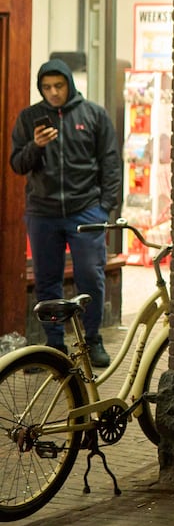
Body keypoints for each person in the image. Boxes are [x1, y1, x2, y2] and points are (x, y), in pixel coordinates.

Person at [9, 59, 122, 368]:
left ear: (69, 84)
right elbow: (17, 164)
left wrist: (104, 206)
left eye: (59, 86)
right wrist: (36, 146)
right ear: (40, 88)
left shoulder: (93, 115)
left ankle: (92, 339)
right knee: (48, 282)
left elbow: (111, 162)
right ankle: (54, 345)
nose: (53, 92)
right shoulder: (30, 117)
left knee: (91, 277)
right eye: (47, 87)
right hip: (43, 214)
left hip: (86, 211)